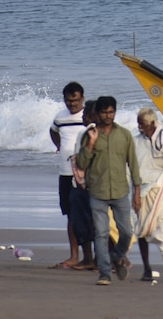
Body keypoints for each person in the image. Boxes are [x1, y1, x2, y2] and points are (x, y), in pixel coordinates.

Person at [76, 96, 141, 286]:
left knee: (127, 233)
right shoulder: (89, 135)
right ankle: (104, 273)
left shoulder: (124, 135)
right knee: (101, 234)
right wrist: (90, 144)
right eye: (104, 112)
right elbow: (81, 163)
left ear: (115, 112)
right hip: (98, 191)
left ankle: (117, 257)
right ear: (97, 113)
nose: (108, 115)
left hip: (121, 191)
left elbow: (133, 164)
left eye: (111, 112)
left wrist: (137, 192)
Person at [133, 107, 163, 283]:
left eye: (143, 124)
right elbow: (131, 166)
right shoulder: (135, 142)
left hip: (162, 189)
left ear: (153, 123)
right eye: (139, 124)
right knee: (142, 230)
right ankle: (146, 269)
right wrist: (135, 193)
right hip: (143, 191)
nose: (140, 128)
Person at [48, 81, 87, 269]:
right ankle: (73, 256)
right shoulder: (60, 117)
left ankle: (92, 257)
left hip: (84, 175)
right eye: (69, 101)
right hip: (64, 173)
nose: (72, 104)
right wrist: (59, 147)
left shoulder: (89, 117)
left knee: (88, 215)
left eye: (76, 100)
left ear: (82, 99)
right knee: (70, 215)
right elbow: (53, 131)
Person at [67, 100, 98, 271]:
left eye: (87, 113)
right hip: (92, 185)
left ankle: (89, 259)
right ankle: (94, 259)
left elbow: (82, 160)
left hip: (83, 185)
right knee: (93, 223)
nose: (83, 116)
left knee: (84, 223)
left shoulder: (86, 133)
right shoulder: (96, 132)